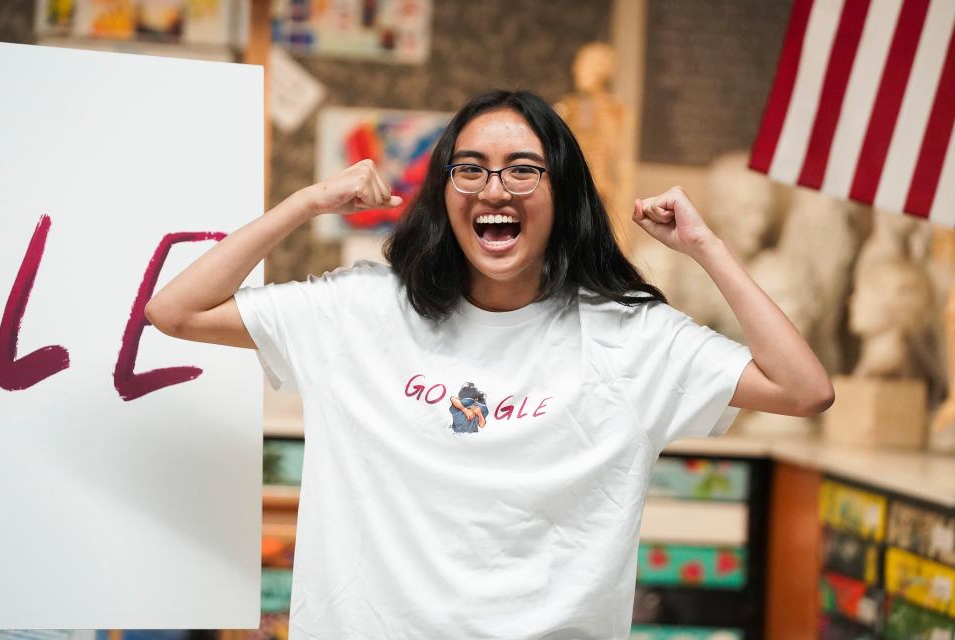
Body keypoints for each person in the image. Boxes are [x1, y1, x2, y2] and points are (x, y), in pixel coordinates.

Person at [145, 89, 834, 640]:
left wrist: (707, 246)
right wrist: (307, 202)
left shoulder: (629, 336)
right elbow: (175, 311)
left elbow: (803, 390)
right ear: (444, 192)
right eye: (469, 168)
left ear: (562, 192)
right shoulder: (359, 312)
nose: (493, 188)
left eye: (523, 169)